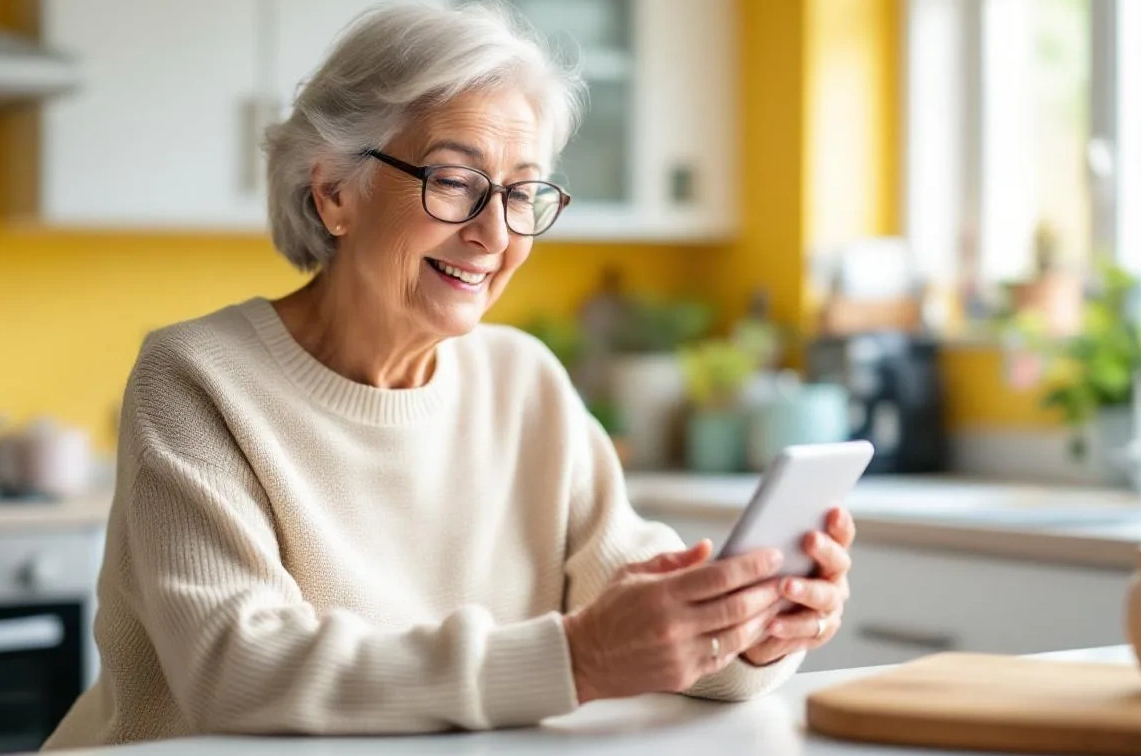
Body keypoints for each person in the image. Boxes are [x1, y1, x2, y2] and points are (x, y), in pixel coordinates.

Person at [42, 3, 855, 748]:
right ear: (333, 192)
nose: (494, 233)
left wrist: (751, 625)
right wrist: (576, 658)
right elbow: (240, 669)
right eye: (455, 182)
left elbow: (641, 611)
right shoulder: (195, 377)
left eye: (522, 192)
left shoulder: (524, 381)